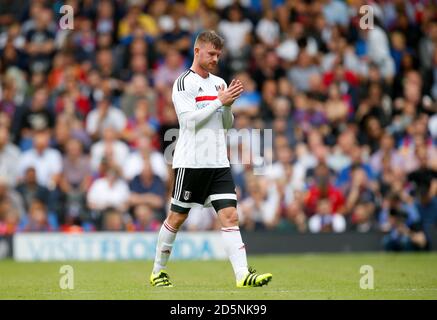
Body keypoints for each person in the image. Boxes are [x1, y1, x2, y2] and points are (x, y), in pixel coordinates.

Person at [150, 30, 272, 288]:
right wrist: (220, 101)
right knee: (177, 218)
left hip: (218, 162)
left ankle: (242, 276)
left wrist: (227, 106)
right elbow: (188, 122)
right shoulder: (184, 82)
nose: (216, 58)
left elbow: (226, 124)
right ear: (197, 51)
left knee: (230, 215)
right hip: (191, 162)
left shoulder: (219, 82)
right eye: (211, 53)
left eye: (218, 54)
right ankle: (157, 271)